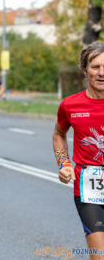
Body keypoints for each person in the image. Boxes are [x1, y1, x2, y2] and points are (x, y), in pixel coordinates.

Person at [53, 42, 104, 260]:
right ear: (85, 70)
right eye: (95, 67)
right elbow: (58, 134)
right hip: (89, 189)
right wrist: (64, 164)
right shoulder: (70, 105)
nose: (102, 73)